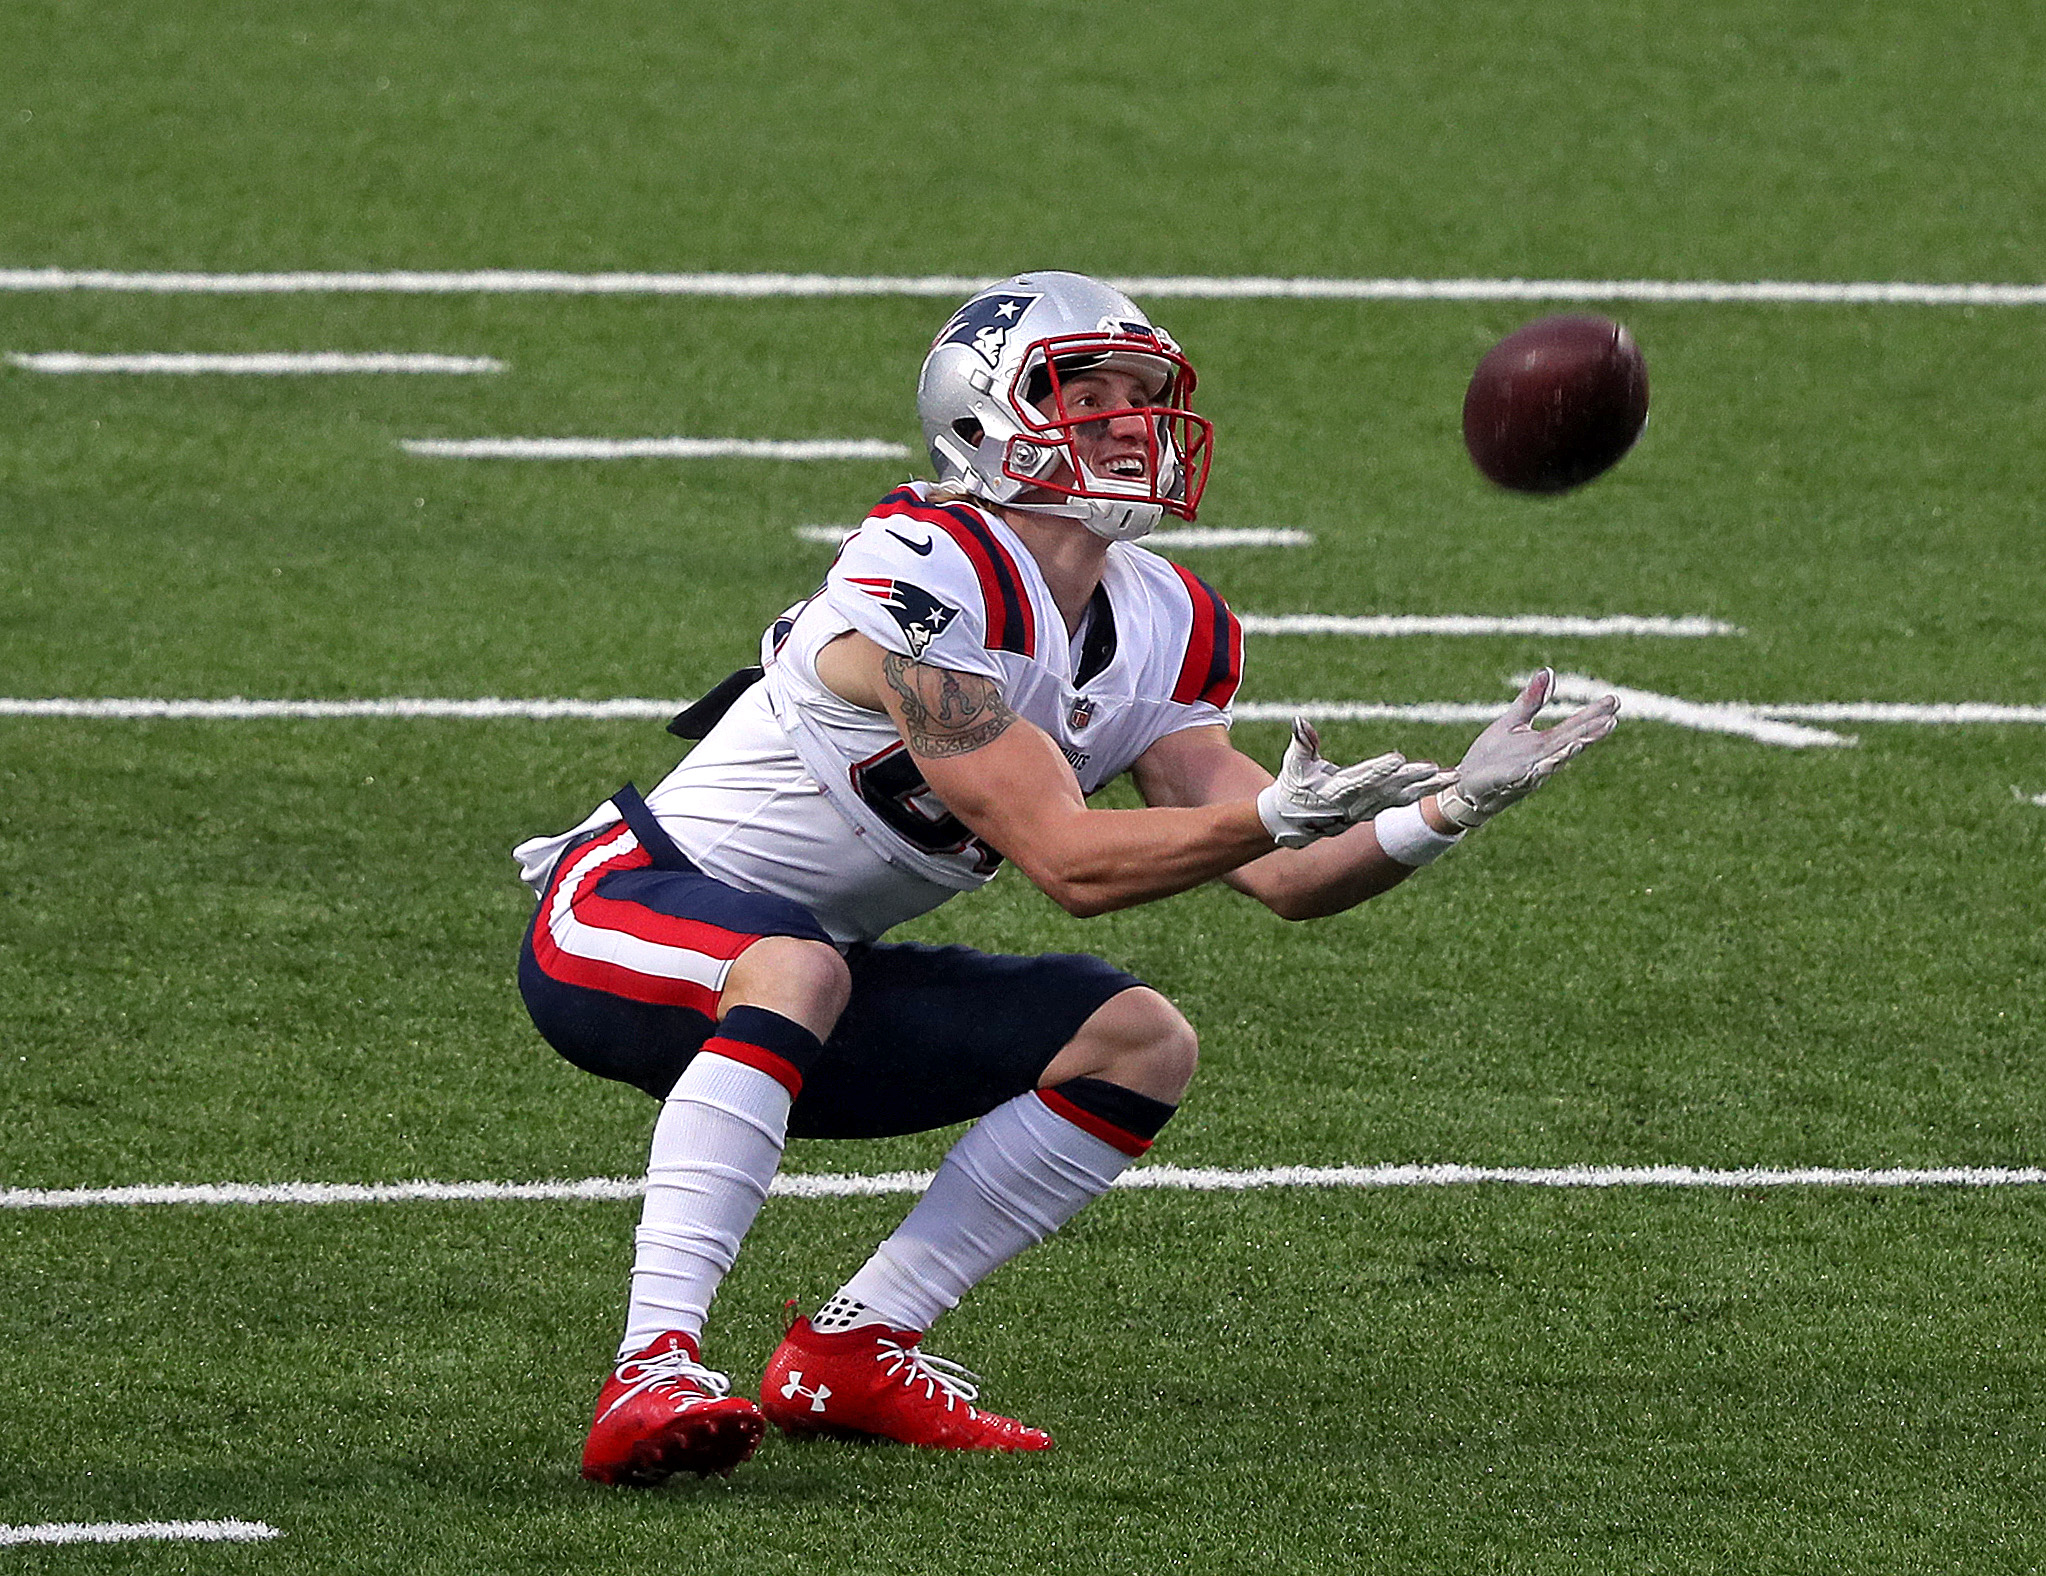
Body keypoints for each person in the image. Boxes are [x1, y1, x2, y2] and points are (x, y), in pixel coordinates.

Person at [512, 270, 1619, 1487]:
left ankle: (857, 1344)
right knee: (798, 962)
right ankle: (652, 1361)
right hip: (620, 917)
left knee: (1139, 1040)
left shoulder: (1166, 619)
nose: (1131, 421)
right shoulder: (927, 566)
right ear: (983, 416)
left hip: (808, 974)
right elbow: (1071, 862)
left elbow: (1288, 878)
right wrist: (1270, 812)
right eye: (1087, 392)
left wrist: (1450, 806)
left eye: (1146, 396)